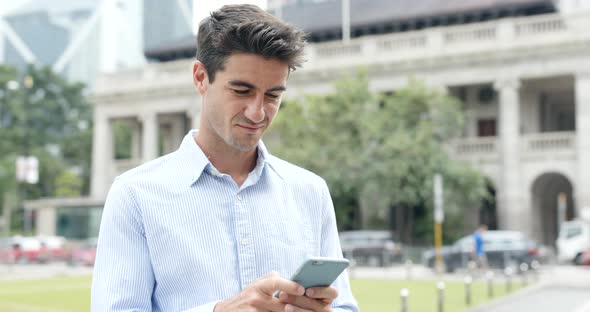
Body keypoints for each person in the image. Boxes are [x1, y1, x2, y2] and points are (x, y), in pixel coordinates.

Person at [91, 4, 359, 312]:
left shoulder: (311, 191)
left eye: (273, 95)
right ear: (201, 77)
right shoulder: (134, 195)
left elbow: (344, 306)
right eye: (242, 91)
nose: (258, 112)